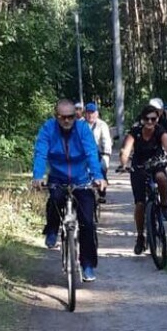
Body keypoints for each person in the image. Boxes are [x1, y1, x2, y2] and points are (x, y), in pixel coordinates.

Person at [32, 98, 105, 282]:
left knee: (87, 222)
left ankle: (87, 265)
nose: (66, 121)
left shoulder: (82, 129)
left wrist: (97, 176)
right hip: (58, 176)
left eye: (70, 117)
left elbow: (90, 153)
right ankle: (51, 229)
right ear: (56, 116)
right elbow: (41, 152)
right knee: (55, 198)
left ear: (76, 116)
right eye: (62, 117)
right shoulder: (48, 129)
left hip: (81, 178)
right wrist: (38, 176)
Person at [119, 106, 167, 255]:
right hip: (138, 166)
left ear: (157, 120)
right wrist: (124, 164)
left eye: (153, 119)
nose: (150, 122)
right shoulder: (135, 131)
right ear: (142, 119)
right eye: (147, 119)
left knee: (161, 177)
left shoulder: (160, 131)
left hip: (156, 163)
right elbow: (126, 150)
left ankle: (164, 205)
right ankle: (140, 236)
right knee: (140, 204)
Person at [84, 102, 112, 199]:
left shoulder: (102, 125)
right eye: (88, 112)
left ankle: (102, 192)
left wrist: (106, 155)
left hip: (99, 153)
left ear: (97, 113)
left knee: (102, 167)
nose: (90, 115)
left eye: (92, 112)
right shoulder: (80, 124)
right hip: (83, 154)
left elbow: (106, 140)